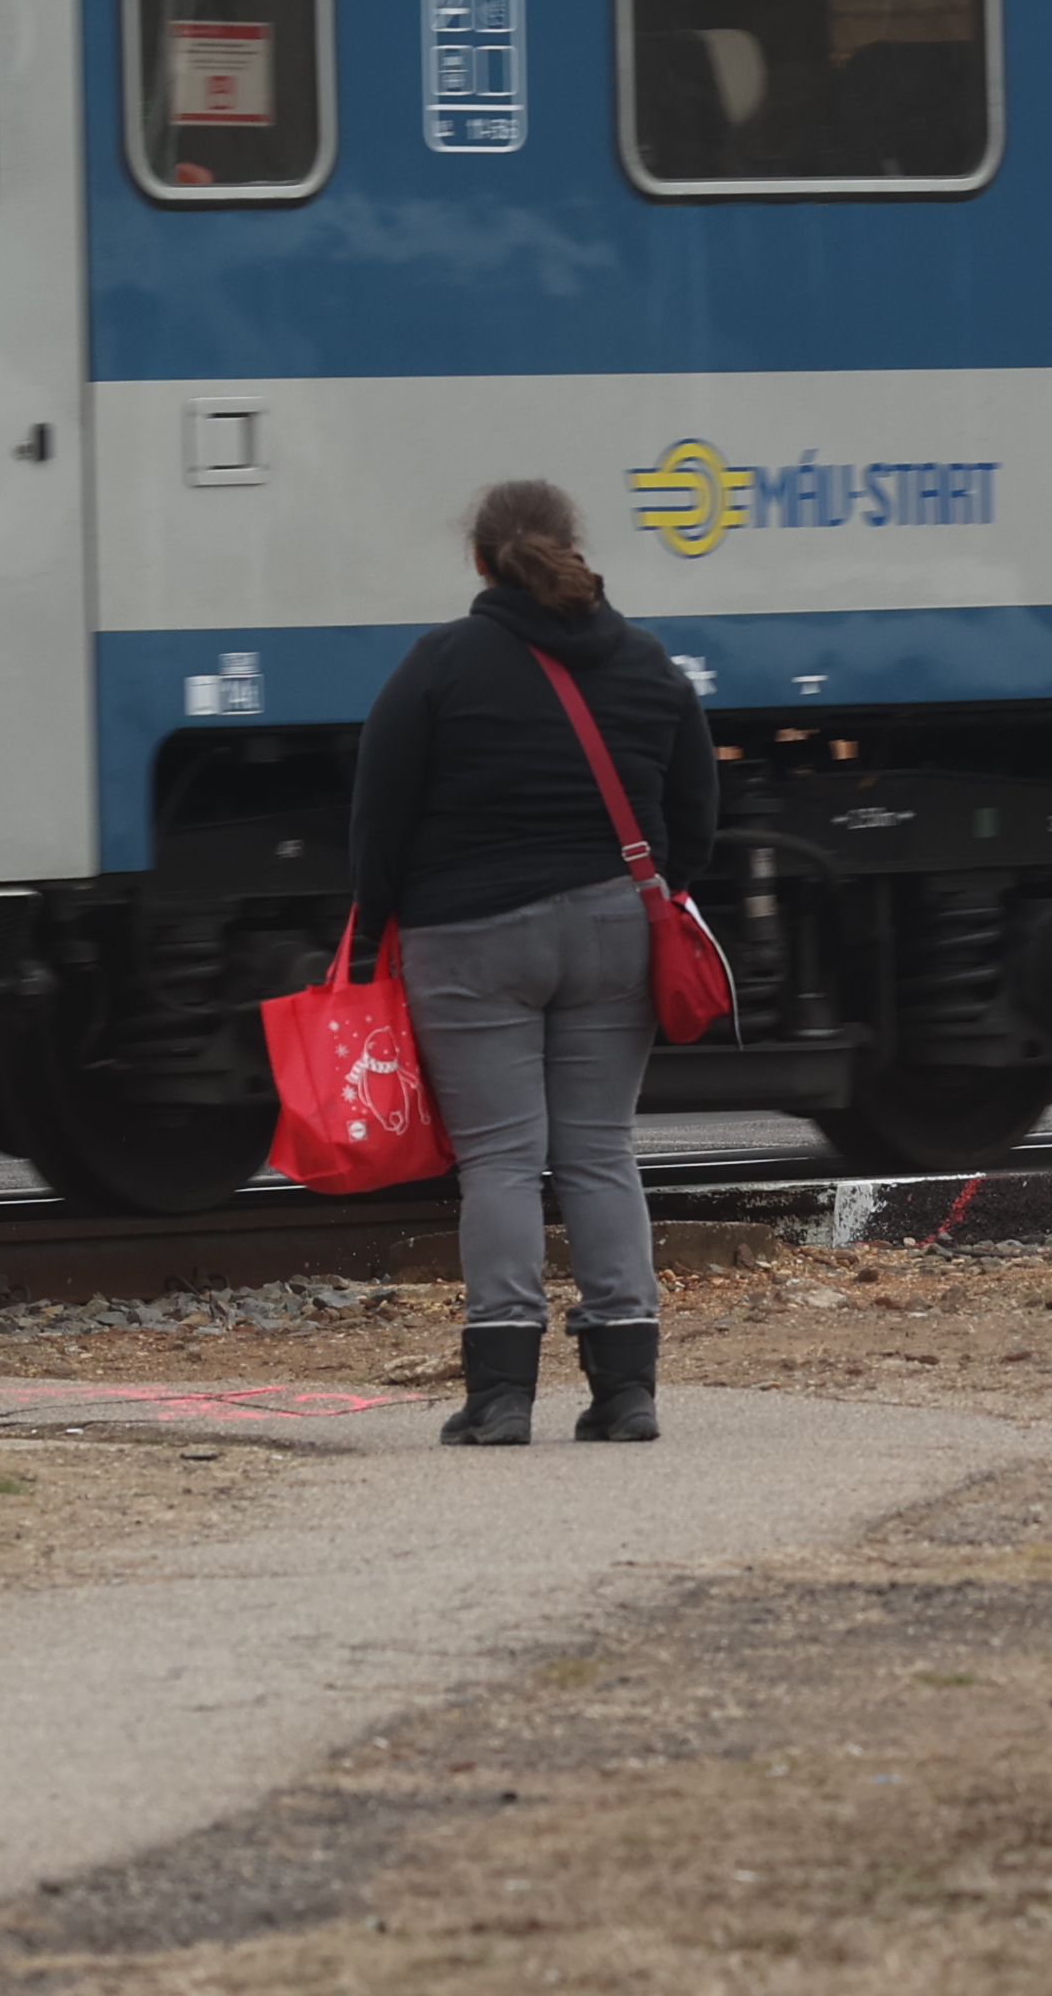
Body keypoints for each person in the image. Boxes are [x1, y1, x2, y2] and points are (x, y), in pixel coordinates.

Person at [347, 478, 717, 1447]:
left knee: (502, 1162)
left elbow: (378, 819)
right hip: (611, 931)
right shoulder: (647, 665)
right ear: (570, 548)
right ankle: (627, 1391)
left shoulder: (439, 666)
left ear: (480, 561)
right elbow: (698, 812)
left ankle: (502, 1396)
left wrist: (373, 924)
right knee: (599, 1152)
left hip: (469, 940)